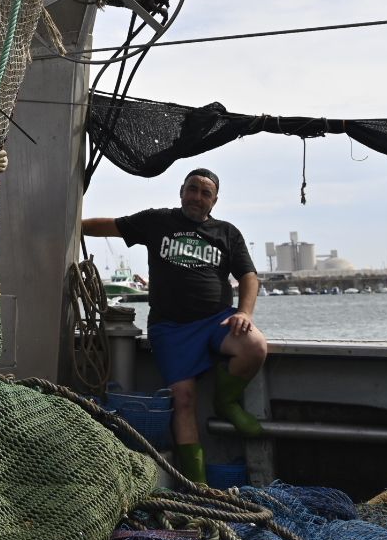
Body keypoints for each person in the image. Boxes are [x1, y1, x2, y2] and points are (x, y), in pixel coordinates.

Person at [83, 167, 267, 485]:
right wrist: (68, 223)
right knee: (183, 399)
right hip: (170, 328)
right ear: (181, 191)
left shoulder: (227, 233)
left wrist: (245, 314)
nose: (197, 197)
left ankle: (226, 403)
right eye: (192, 189)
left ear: (215, 200)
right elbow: (110, 226)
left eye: (205, 193)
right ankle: (198, 485)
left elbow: (249, 277)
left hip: (215, 321)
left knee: (254, 346)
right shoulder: (157, 221)